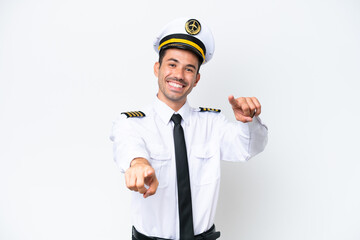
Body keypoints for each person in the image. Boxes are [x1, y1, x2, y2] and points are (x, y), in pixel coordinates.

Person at [110, 18, 268, 240]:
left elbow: (247, 149)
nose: (179, 75)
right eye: (172, 64)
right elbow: (129, 147)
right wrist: (138, 164)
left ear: (196, 79)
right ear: (158, 68)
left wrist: (249, 121)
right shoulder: (132, 123)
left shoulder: (212, 123)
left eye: (189, 69)